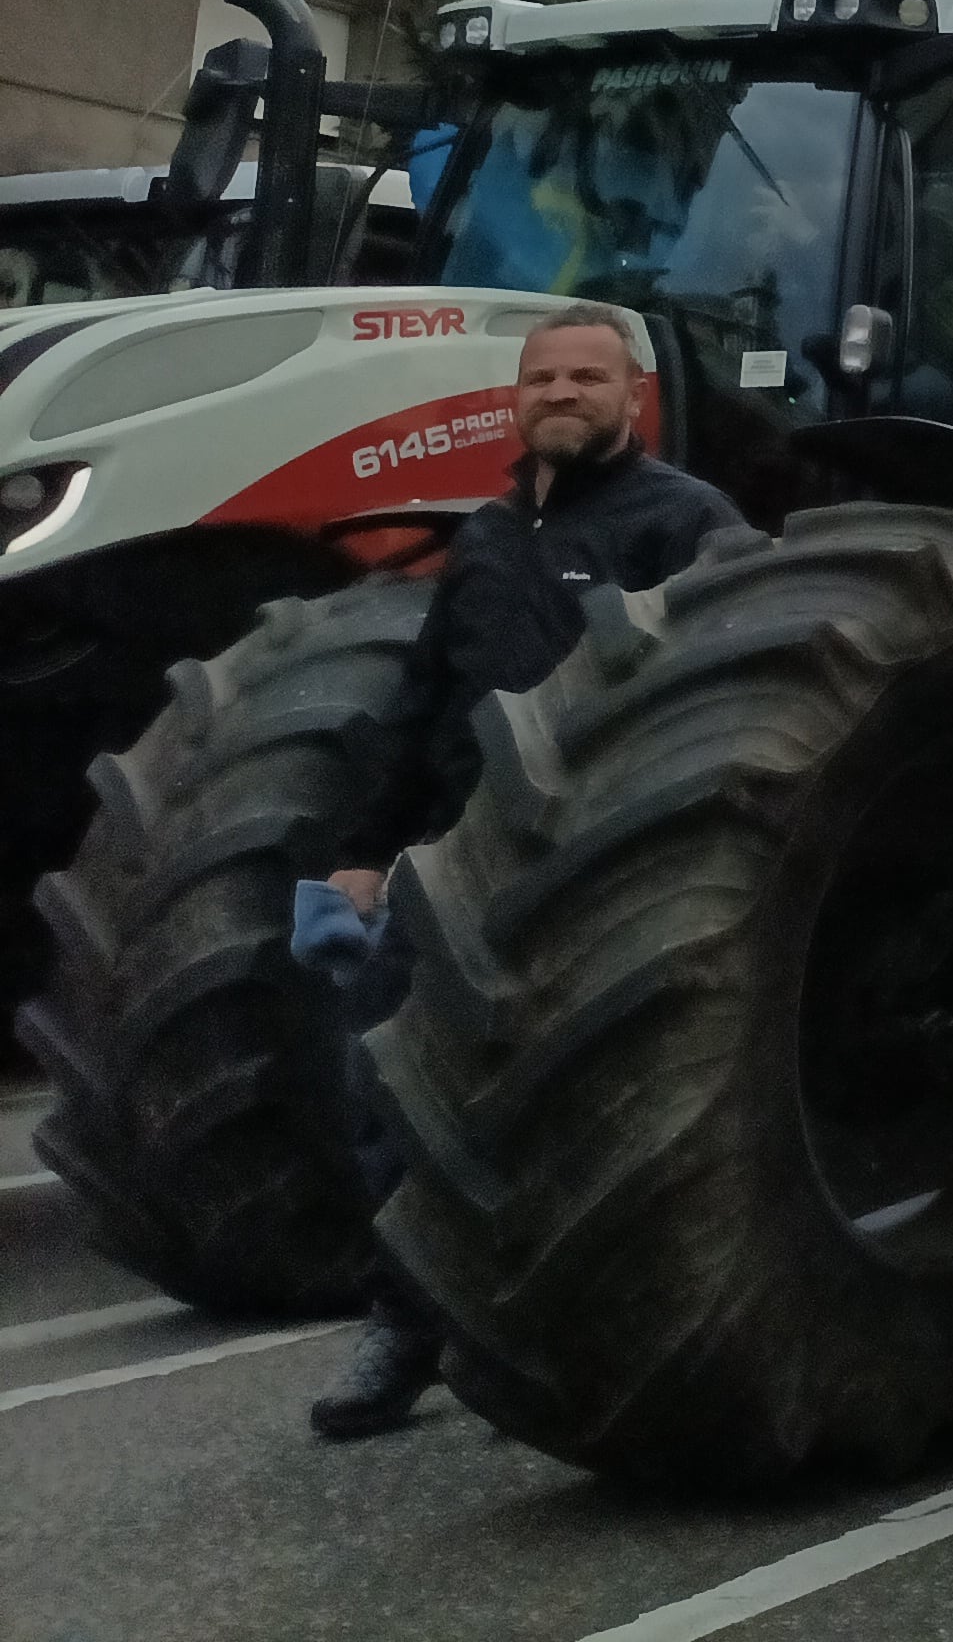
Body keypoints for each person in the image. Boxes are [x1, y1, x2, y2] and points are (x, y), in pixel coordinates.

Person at [305, 307, 739, 1440]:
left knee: (589, 1099)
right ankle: (404, 1323)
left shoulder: (688, 524)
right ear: (515, 396)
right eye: (541, 376)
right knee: (385, 1079)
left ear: (632, 396)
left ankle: (596, 1326)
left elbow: (723, 705)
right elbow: (420, 708)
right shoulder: (488, 537)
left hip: (605, 860)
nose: (561, 391)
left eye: (586, 375)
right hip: (455, 858)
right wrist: (360, 852)